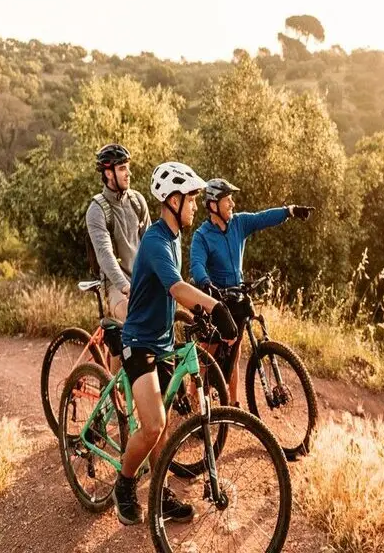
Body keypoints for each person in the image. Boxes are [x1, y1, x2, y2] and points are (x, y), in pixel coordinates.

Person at [113, 162, 238, 526]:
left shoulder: (174, 236)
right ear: (173, 200)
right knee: (153, 426)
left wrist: (199, 317)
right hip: (138, 342)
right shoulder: (155, 242)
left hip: (163, 341)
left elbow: (173, 294)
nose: (196, 206)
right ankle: (124, 485)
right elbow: (177, 288)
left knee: (164, 427)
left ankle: (159, 494)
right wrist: (215, 308)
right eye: (192, 199)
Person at [190, 178, 313, 404]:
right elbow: (196, 263)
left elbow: (263, 218)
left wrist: (290, 211)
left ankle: (233, 405)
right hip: (216, 299)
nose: (232, 204)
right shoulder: (202, 235)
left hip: (236, 297)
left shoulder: (239, 223)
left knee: (235, 352)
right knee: (208, 350)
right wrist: (205, 282)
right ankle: (194, 399)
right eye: (228, 200)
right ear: (213, 205)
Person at [85, 143, 150, 321]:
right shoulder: (97, 210)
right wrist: (124, 286)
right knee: (134, 320)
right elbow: (105, 254)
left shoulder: (137, 201)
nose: (128, 174)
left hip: (142, 280)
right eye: (122, 169)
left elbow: (151, 244)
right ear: (108, 173)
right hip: (116, 285)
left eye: (128, 168)